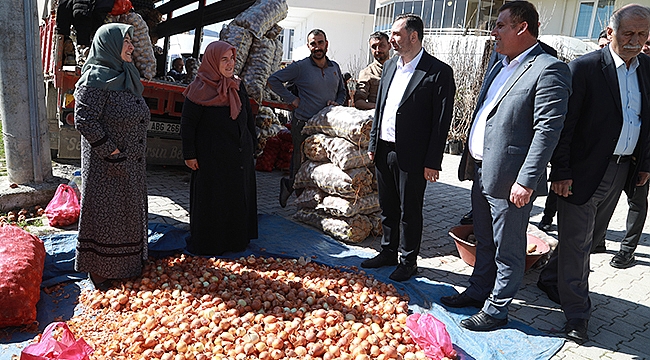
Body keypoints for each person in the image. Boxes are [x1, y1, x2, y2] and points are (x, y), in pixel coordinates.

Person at [441, 0, 571, 332]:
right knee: (483, 238)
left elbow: (547, 130)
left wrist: (527, 180)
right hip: (483, 171)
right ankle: (478, 290)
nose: (494, 32)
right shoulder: (500, 64)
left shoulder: (548, 69)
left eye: (500, 25)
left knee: (508, 247)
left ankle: (497, 309)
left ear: (522, 28)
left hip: (512, 180)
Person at [537, 4, 650, 343]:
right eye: (628, 33)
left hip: (622, 170)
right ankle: (577, 314)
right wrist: (561, 171)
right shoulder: (584, 68)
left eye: (642, 35)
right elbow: (564, 127)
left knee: (588, 239)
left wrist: (644, 164)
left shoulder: (647, 68)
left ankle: (549, 278)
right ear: (611, 32)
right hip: (582, 173)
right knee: (578, 245)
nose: (635, 41)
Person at [362, 13, 455, 282]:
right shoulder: (390, 66)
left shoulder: (438, 72)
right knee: (388, 207)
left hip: (413, 156)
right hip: (384, 149)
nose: (391, 39)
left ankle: (408, 259)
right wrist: (373, 143)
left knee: (409, 210)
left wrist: (433, 162)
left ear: (413, 36)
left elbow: (441, 122)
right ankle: (388, 251)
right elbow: (380, 108)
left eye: (396, 34)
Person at [73, 23, 150, 290]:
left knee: (127, 214)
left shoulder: (126, 74)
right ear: (109, 44)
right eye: (125, 41)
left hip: (131, 164)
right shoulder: (95, 78)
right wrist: (112, 151)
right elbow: (83, 119)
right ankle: (102, 271)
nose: (131, 46)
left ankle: (128, 265)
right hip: (107, 167)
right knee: (108, 217)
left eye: (131, 40)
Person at [181, 41, 258, 256]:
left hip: (238, 154)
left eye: (232, 58)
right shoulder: (199, 88)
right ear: (212, 61)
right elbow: (188, 124)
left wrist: (253, 142)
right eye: (224, 59)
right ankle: (210, 244)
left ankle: (235, 242)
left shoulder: (236, 85)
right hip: (211, 157)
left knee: (235, 198)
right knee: (213, 200)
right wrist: (189, 154)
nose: (230, 63)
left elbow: (247, 115)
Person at [267, 29, 347, 208]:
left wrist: (337, 102)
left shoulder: (335, 67)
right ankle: (291, 187)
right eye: (313, 44)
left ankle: (311, 199)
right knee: (300, 160)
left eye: (320, 43)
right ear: (308, 46)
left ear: (326, 44)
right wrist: (292, 99)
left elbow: (342, 91)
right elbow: (273, 80)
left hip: (326, 125)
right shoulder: (300, 67)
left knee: (321, 163)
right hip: (303, 122)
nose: (317, 47)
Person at [591, 32, 650, 263]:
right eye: (644, 43)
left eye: (648, 43)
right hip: (613, 152)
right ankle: (598, 239)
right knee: (602, 198)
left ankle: (627, 249)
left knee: (636, 200)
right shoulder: (624, 68)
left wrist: (646, 161)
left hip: (640, 153)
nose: (644, 47)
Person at [354, 31, 391, 110]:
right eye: (374, 47)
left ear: (389, 46)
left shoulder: (400, 69)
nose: (378, 50)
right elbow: (359, 102)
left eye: (382, 45)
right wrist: (379, 107)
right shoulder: (367, 73)